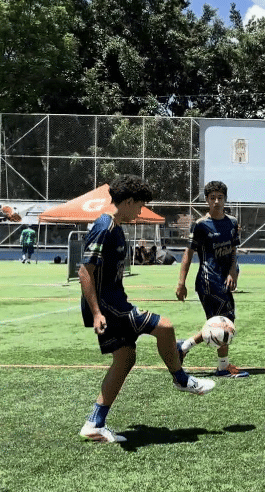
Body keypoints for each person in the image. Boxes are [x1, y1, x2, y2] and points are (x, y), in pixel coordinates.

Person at [78, 175, 215, 444]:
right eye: (139, 205)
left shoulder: (116, 227)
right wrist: (96, 312)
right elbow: (85, 271)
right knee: (165, 326)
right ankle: (181, 379)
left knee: (125, 358)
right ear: (128, 201)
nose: (140, 212)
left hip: (114, 303)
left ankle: (94, 423)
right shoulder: (105, 226)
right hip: (110, 308)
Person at [175, 181, 248, 378]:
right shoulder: (200, 225)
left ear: (225, 199)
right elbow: (188, 253)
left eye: (220, 197)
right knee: (223, 322)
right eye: (212, 198)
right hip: (208, 280)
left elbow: (233, 250)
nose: (216, 201)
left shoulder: (232, 222)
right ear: (206, 200)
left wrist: (233, 271)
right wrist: (181, 283)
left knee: (223, 322)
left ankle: (184, 346)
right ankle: (222, 368)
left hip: (225, 280)